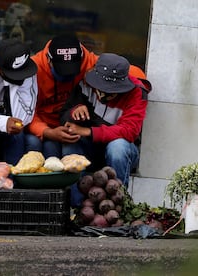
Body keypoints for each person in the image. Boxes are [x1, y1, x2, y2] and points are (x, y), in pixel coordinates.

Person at [60, 53, 152, 188]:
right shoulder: (85, 83)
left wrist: (89, 131)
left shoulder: (137, 93)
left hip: (121, 152)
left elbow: (130, 131)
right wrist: (74, 111)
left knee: (118, 147)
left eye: (110, 91)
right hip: (89, 147)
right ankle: (75, 203)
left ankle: (118, 200)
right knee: (70, 143)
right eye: (101, 88)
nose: (103, 94)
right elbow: (63, 118)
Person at [25, 34, 99, 158]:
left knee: (72, 148)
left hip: (76, 127)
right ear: (49, 60)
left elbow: (128, 72)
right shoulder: (33, 70)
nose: (67, 77)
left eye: (72, 71)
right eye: (61, 70)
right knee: (40, 145)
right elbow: (27, 112)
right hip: (43, 124)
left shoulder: (91, 63)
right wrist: (47, 132)